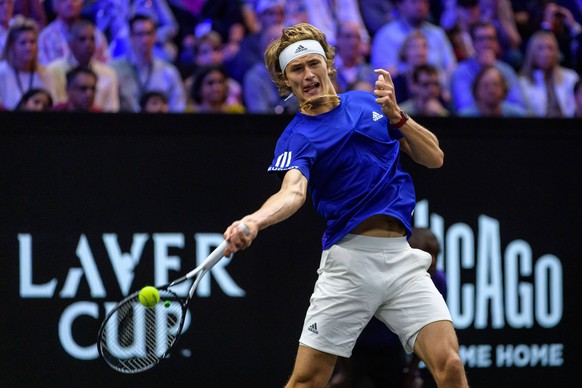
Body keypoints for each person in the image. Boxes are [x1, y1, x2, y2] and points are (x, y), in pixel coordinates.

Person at [222, 23, 468, 388]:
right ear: (286, 82)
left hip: (402, 259)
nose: (307, 75)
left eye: (313, 64)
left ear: (327, 65)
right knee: (307, 381)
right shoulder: (297, 137)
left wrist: (397, 115)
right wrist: (255, 221)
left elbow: (435, 158)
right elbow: (292, 192)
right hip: (349, 266)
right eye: (296, 70)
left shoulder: (370, 102)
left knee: (449, 365)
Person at [110, 14, 186, 112]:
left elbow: (178, 107)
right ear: (131, 36)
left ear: (155, 36)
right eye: (140, 34)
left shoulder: (168, 71)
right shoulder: (115, 69)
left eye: (148, 33)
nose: (145, 40)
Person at [45, 19, 119, 112]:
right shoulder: (53, 70)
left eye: (92, 39)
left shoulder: (109, 73)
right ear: (70, 44)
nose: (88, 44)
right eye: (82, 39)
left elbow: (112, 109)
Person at [450, 21, 524, 113]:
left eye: (490, 39)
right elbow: (464, 107)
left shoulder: (507, 70)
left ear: (497, 43)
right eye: (481, 39)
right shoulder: (461, 72)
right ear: (473, 44)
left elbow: (518, 107)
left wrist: (492, 70)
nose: (486, 43)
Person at [371, 0, 457, 78]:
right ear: (400, 4)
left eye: (424, 2)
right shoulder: (386, 35)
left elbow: (451, 68)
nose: (420, 6)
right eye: (414, 1)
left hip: (437, 89)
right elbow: (383, 75)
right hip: (400, 92)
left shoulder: (438, 33)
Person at [518, 29, 579, 117]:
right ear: (532, 52)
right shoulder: (522, 83)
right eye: (540, 48)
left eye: (550, 48)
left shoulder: (571, 78)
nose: (546, 53)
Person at [0, 16, 51, 109]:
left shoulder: (45, 73)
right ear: (12, 46)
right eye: (23, 43)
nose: (29, 48)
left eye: (32, 42)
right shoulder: (2, 72)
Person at [38, 0, 109, 65]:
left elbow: (106, 65)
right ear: (55, 7)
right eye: (64, 1)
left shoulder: (95, 34)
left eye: (74, 0)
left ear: (82, 4)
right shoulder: (45, 38)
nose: (70, 3)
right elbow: (45, 71)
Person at [458, 65, 526, 116]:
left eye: (496, 85)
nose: (491, 90)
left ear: (504, 89)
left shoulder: (516, 114)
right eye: (486, 86)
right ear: (477, 90)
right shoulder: (465, 115)